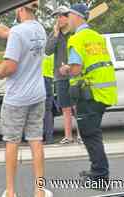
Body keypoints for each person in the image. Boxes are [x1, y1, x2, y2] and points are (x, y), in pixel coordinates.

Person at [0, 2, 53, 197]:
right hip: (37, 95)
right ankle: (39, 191)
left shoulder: (18, 32)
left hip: (16, 99)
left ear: (20, 8)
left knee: (12, 142)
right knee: (36, 142)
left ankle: (11, 192)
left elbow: (9, 67)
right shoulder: (39, 29)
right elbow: (8, 32)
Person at [60, 3, 118, 190]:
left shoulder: (76, 39)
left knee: (90, 135)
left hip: (88, 94)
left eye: (68, 16)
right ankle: (96, 170)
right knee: (93, 133)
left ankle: (101, 177)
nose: (67, 19)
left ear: (77, 17)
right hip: (103, 92)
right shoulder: (96, 37)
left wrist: (65, 69)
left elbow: (76, 69)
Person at [46, 6, 82, 144]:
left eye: (61, 16)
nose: (58, 19)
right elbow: (48, 51)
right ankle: (68, 136)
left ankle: (81, 135)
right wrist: (55, 35)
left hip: (75, 75)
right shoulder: (55, 33)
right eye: (57, 17)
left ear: (68, 17)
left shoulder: (75, 33)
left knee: (77, 107)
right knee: (65, 107)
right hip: (60, 77)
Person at [41, 54, 55, 144]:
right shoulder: (51, 53)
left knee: (35, 110)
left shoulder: (35, 49)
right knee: (48, 111)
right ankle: (49, 138)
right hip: (49, 79)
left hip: (37, 79)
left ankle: (37, 137)